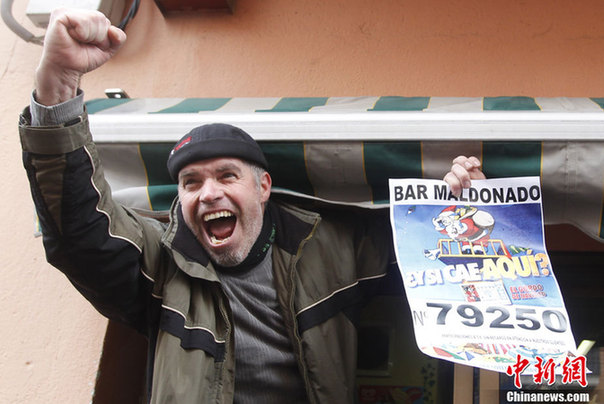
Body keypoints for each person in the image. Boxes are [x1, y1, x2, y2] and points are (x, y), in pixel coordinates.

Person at [18, 8, 485, 404]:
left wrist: (469, 210)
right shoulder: (161, 261)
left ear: (263, 186)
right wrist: (58, 85)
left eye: (226, 176)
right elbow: (81, 230)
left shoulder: (330, 246)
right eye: (190, 182)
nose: (208, 193)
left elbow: (429, 268)